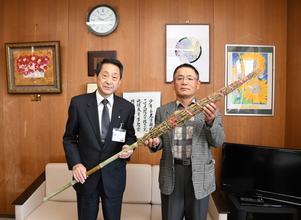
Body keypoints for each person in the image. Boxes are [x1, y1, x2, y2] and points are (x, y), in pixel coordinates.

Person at [144, 63, 225, 220]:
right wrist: (155, 143)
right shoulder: (163, 111)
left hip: (200, 175)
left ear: (198, 84)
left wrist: (210, 122)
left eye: (189, 78)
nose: (184, 82)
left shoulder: (210, 110)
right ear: (173, 84)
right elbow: (159, 139)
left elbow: (217, 142)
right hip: (172, 172)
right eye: (179, 78)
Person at [63, 58, 137, 220]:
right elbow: (69, 138)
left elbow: (130, 136)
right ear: (96, 76)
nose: (109, 81)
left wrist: (128, 147)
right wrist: (76, 164)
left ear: (119, 81)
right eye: (105, 75)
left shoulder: (126, 107)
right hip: (86, 175)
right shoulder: (79, 103)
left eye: (114, 77)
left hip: (114, 176)